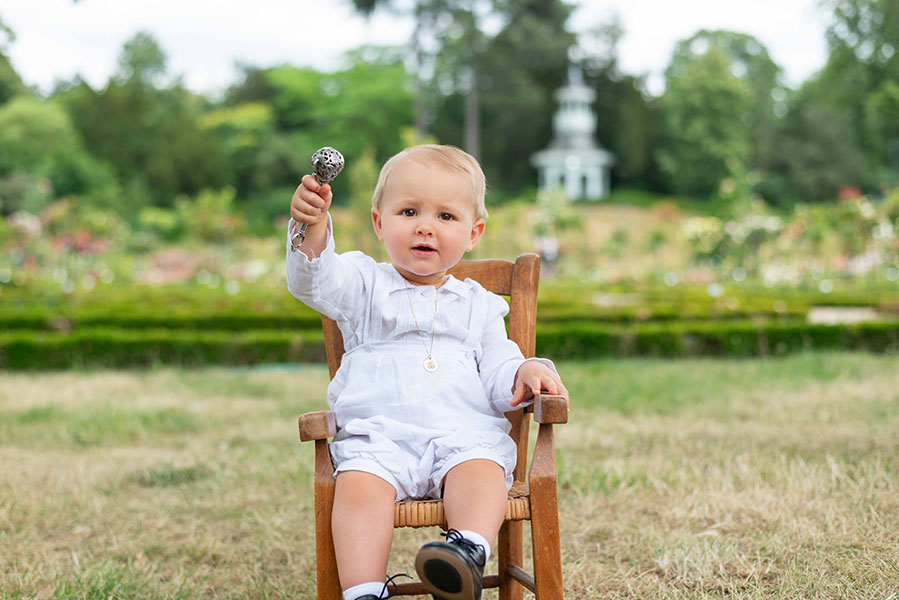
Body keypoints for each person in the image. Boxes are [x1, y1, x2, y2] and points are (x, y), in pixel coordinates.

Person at [286, 144, 568, 600]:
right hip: (378, 439)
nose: (425, 226)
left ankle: (465, 552)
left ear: (474, 232)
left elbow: (502, 368)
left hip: (460, 436)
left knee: (482, 469)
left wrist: (528, 369)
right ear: (379, 223)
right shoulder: (363, 285)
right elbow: (313, 280)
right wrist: (311, 227)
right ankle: (363, 592)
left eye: (446, 217)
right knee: (358, 490)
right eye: (409, 211)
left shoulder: (478, 305)